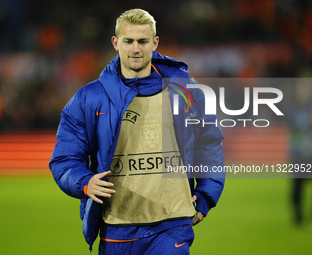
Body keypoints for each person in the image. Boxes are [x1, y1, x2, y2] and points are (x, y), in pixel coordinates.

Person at [49, 8, 225, 254]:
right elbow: (64, 159)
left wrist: (207, 192)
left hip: (172, 223)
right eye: (128, 41)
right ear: (115, 43)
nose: (135, 49)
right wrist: (85, 182)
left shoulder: (186, 92)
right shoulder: (89, 98)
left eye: (143, 41)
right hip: (116, 227)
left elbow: (208, 143)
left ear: (155, 43)